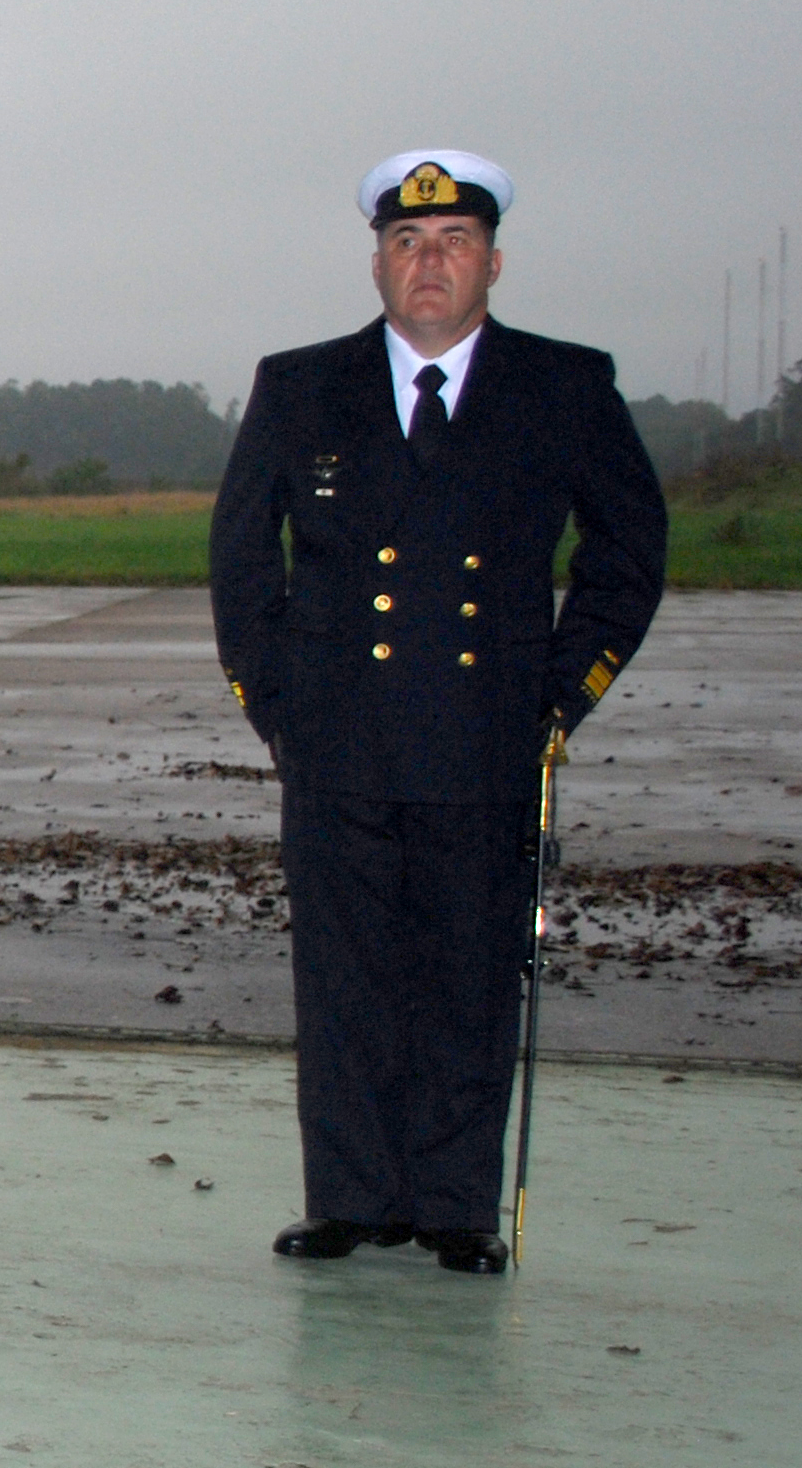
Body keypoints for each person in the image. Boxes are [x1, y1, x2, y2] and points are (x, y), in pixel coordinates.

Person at [210, 149, 666, 1274]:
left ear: (492, 264)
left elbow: (626, 553)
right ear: (375, 265)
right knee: (345, 977)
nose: (428, 262)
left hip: (485, 732)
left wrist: (558, 697)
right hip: (337, 734)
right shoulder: (298, 383)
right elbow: (237, 560)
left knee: (468, 975)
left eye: (452, 242)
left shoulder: (563, 386)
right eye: (406, 243)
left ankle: (454, 1206)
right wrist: (274, 703)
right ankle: (352, 1198)